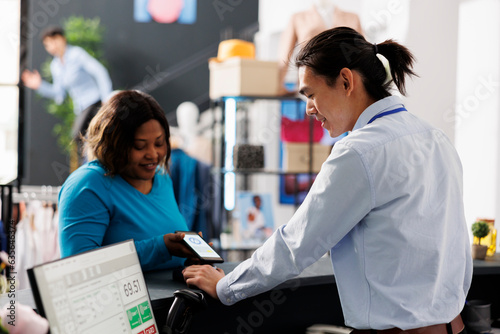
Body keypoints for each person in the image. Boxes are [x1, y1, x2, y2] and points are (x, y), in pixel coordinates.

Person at [183, 27, 473, 334]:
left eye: (310, 93)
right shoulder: (435, 137)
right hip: (453, 327)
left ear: (346, 81)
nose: (308, 108)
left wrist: (227, 286)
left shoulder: (358, 152)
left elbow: (296, 245)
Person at [58, 90, 197, 271]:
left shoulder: (161, 178)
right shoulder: (87, 185)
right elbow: (79, 267)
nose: (153, 155)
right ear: (113, 144)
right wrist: (161, 248)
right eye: (140, 145)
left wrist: (188, 258)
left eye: (159, 143)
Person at [21, 26, 113, 152]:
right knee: (84, 140)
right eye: (47, 45)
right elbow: (59, 93)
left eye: (54, 41)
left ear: (63, 39)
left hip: (94, 103)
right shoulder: (55, 66)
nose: (52, 47)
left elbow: (100, 71)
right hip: (80, 108)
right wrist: (39, 85)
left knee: (79, 136)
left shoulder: (77, 54)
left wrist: (106, 98)